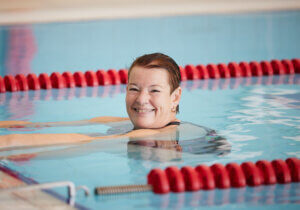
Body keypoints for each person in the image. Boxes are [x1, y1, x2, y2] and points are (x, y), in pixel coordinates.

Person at [0, 53, 230, 159]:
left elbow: (86, 142)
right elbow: (43, 125)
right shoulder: (119, 124)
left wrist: (9, 142)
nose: (141, 99)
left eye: (154, 90)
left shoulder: (169, 132)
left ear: (175, 97)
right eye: (133, 88)